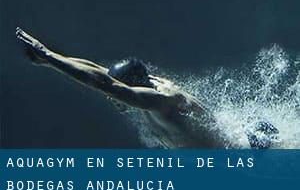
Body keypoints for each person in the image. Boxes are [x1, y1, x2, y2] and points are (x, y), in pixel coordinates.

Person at [15, 27, 277, 148]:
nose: (111, 98)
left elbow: (105, 84)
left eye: (115, 93)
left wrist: (48, 56)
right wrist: (51, 60)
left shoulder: (162, 101)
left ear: (132, 87)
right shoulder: (146, 86)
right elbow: (99, 73)